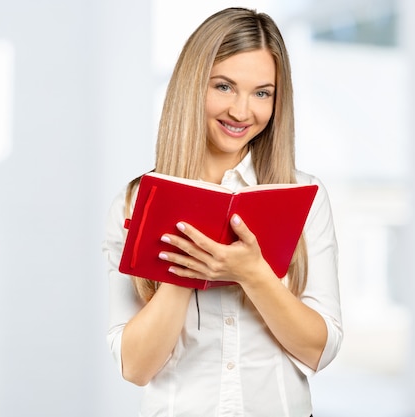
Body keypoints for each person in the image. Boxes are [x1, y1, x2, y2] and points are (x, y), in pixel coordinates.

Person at [102, 7, 342, 417]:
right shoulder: (136, 200)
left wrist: (252, 273)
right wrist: (186, 266)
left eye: (262, 93)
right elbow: (136, 368)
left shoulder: (305, 196)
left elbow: (320, 350)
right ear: (194, 85)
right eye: (225, 86)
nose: (241, 111)